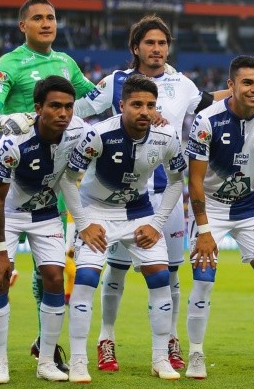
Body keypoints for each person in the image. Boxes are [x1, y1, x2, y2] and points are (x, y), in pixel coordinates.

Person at [75, 14, 213, 372]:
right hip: (117, 196)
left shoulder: (183, 83)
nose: (157, 49)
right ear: (135, 48)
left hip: (166, 192)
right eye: (149, 43)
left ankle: (169, 340)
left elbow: (211, 103)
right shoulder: (114, 82)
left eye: (162, 43)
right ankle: (106, 339)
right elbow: (77, 112)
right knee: (116, 271)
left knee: (169, 273)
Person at [0, 0, 96, 376]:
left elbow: (93, 99)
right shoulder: (9, 63)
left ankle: (46, 348)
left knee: (51, 273)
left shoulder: (66, 63)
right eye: (38, 18)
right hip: (12, 179)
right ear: (22, 26)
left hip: (51, 185)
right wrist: (12, 121)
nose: (47, 23)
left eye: (52, 18)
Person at [64, 75, 186, 382]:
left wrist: (157, 224)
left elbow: (176, 181)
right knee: (86, 280)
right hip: (96, 212)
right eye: (136, 105)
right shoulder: (98, 134)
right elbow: (67, 180)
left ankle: (160, 358)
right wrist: (83, 224)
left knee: (160, 276)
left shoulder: (166, 136)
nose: (144, 111)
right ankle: (79, 360)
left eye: (150, 105)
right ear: (122, 105)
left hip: (139, 213)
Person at [0, 76, 99, 384]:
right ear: (38, 109)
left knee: (55, 278)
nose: (63, 113)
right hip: (8, 215)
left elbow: (115, 127)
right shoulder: (13, 142)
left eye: (69, 107)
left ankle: (46, 361)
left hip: (46, 214)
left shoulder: (80, 132)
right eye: (55, 106)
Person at [184, 55, 254, 379]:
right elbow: (196, 181)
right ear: (230, 85)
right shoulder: (207, 120)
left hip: (248, 209)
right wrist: (203, 230)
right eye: (247, 82)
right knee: (203, 281)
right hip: (211, 210)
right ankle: (196, 355)